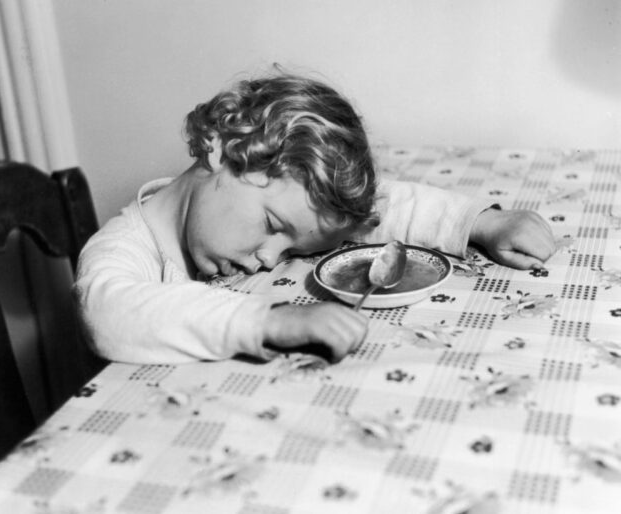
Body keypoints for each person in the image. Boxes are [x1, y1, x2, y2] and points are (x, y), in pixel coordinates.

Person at [75, 72, 556, 365]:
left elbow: (378, 209)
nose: (268, 259)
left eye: (292, 249)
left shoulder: (271, 204)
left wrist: (478, 223)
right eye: (271, 227)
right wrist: (272, 322)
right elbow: (109, 316)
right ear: (221, 148)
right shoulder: (121, 250)